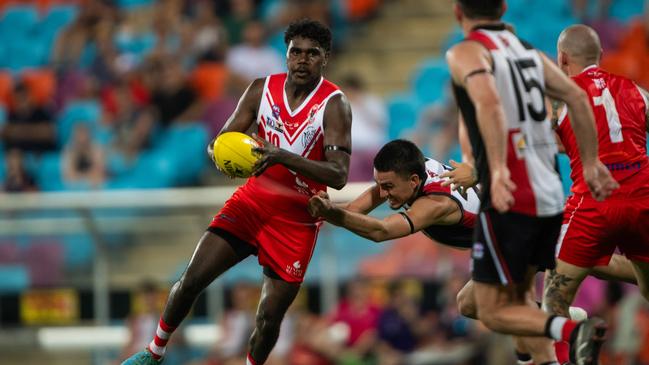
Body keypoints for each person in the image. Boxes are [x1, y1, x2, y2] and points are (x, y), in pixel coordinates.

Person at [122, 19, 352, 365]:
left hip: (296, 220)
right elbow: (222, 141)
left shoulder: (334, 104)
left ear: (326, 58)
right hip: (251, 202)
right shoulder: (261, 89)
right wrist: (226, 158)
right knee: (191, 280)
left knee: (268, 318)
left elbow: (338, 175)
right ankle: (153, 353)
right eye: (296, 52)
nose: (303, 60)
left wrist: (279, 156)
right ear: (286, 55)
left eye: (312, 54)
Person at [445, 1, 618, 364]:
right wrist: (589, 163)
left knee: (487, 309)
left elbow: (489, 103)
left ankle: (572, 330)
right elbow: (575, 95)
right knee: (521, 299)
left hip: (512, 196)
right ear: (504, 7)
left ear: (458, 11)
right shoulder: (529, 53)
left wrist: (497, 168)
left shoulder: (466, 52)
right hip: (551, 193)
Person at [541, 24, 649, 364]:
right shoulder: (637, 90)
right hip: (642, 198)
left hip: (593, 203)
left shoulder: (562, 96)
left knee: (553, 302)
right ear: (600, 56)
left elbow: (540, 142)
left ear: (562, 58)